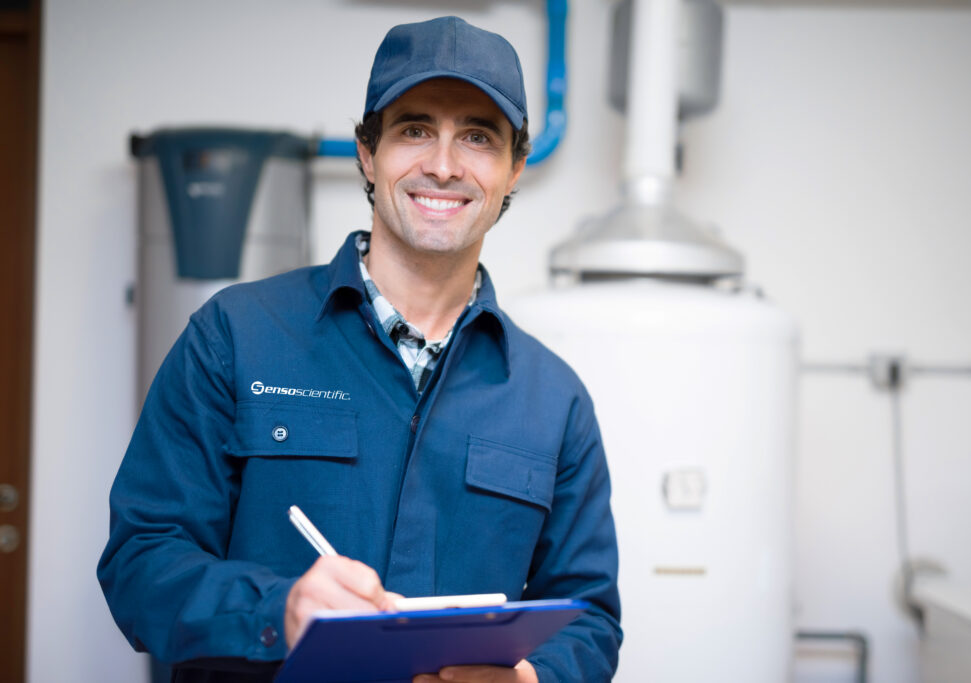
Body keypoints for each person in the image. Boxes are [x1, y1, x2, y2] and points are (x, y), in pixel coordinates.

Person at [98, 15, 621, 683]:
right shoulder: (235, 336)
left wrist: (530, 677)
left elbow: (591, 618)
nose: (442, 163)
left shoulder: (555, 400)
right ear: (367, 153)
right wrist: (278, 609)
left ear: (515, 167)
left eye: (478, 137)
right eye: (414, 129)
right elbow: (140, 561)